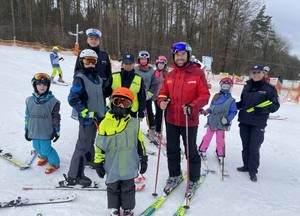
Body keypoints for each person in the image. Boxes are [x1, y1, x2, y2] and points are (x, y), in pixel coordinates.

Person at [157, 42, 210, 194]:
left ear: (188, 55)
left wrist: (193, 106)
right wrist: (162, 101)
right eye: (177, 55)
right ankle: (174, 175)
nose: (180, 57)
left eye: (183, 54)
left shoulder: (197, 73)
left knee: (190, 151)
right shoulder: (171, 74)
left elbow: (205, 96)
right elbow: (162, 93)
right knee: (172, 149)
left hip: (189, 120)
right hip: (172, 119)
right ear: (174, 56)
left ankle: (193, 179)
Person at [94, 87, 148, 216]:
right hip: (111, 163)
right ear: (112, 103)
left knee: (128, 186)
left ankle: (127, 208)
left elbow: (140, 142)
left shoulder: (133, 123)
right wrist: (98, 162)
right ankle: (114, 208)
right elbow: (100, 145)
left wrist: (143, 158)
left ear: (130, 106)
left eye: (125, 103)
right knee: (112, 186)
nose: (120, 106)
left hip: (128, 163)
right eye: (117, 102)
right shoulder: (105, 123)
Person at [63, 49, 105, 186]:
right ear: (82, 62)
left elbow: (98, 98)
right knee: (82, 146)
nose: (91, 64)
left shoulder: (98, 79)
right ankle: (74, 176)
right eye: (87, 61)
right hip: (87, 119)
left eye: (93, 61)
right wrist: (84, 112)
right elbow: (73, 98)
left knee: (89, 142)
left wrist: (103, 110)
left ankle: (88, 160)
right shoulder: (80, 78)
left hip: (96, 118)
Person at [236, 65, 280, 182]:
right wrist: (233, 105)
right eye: (253, 73)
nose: (256, 75)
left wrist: (262, 109)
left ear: (263, 74)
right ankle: (246, 166)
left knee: (254, 147)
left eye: (258, 72)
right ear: (251, 74)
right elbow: (242, 103)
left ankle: (253, 170)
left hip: (258, 123)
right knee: (245, 146)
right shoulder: (247, 87)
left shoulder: (269, 89)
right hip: (244, 121)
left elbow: (275, 105)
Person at [25, 73, 61, 174]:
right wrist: (26, 129)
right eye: (39, 84)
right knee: (36, 146)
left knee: (46, 149)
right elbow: (27, 116)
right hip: (34, 130)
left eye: (45, 84)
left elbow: (56, 117)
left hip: (46, 131)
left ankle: (55, 163)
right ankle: (44, 157)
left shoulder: (53, 102)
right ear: (35, 85)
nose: (42, 86)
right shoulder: (29, 100)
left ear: (48, 86)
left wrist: (56, 130)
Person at [198, 77, 237, 163]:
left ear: (230, 88)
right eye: (224, 86)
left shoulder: (231, 100)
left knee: (220, 139)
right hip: (212, 121)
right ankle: (202, 150)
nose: (225, 88)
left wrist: (227, 119)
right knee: (208, 137)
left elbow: (233, 112)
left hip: (222, 123)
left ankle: (220, 154)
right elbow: (211, 109)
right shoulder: (216, 97)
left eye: (227, 87)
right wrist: (204, 112)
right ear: (221, 86)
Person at [107, 53, 146, 120]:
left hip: (131, 111)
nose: (128, 66)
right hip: (115, 108)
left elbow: (142, 97)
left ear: (134, 64)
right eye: (126, 64)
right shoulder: (114, 76)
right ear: (122, 64)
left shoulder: (139, 79)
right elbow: (106, 92)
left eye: (130, 64)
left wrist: (141, 112)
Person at [134, 50, 158, 141]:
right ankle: (133, 130)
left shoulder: (151, 71)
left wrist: (150, 94)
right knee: (135, 113)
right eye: (141, 59)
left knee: (149, 113)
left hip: (147, 96)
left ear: (148, 60)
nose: (143, 61)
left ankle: (152, 131)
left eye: (145, 59)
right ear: (139, 60)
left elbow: (154, 84)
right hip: (136, 95)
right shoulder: (135, 69)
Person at [153, 55, 168, 140]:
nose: (161, 65)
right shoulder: (154, 73)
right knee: (158, 113)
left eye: (162, 64)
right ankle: (156, 129)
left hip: (163, 97)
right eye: (159, 63)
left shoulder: (166, 74)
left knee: (162, 114)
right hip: (156, 96)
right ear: (157, 64)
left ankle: (159, 129)